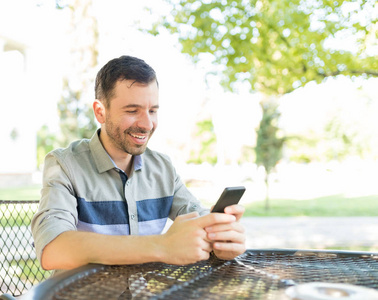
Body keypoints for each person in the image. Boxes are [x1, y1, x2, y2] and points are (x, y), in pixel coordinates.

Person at [31, 55, 246, 275]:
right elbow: (53, 249)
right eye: (132, 111)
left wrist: (220, 240)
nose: (147, 124)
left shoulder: (162, 168)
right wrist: (162, 246)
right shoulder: (65, 164)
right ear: (100, 112)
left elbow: (197, 223)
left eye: (153, 110)